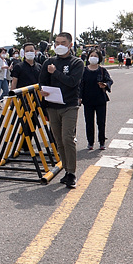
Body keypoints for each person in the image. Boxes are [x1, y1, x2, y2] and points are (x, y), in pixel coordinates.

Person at [38, 33, 84, 187]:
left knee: (67, 138)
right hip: (52, 106)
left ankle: (71, 172)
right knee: (58, 140)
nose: (59, 45)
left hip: (69, 106)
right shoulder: (49, 62)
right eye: (57, 43)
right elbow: (42, 82)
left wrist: (55, 72)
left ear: (70, 44)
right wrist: (42, 91)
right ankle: (65, 168)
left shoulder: (76, 62)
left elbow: (72, 82)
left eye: (63, 43)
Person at [79, 49, 113, 150]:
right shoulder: (84, 70)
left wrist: (105, 85)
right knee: (89, 122)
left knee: (101, 122)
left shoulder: (102, 70)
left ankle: (102, 142)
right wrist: (79, 97)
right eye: (91, 55)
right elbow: (80, 85)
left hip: (100, 100)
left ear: (99, 58)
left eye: (96, 56)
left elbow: (109, 81)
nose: (93, 57)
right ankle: (90, 142)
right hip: (87, 100)